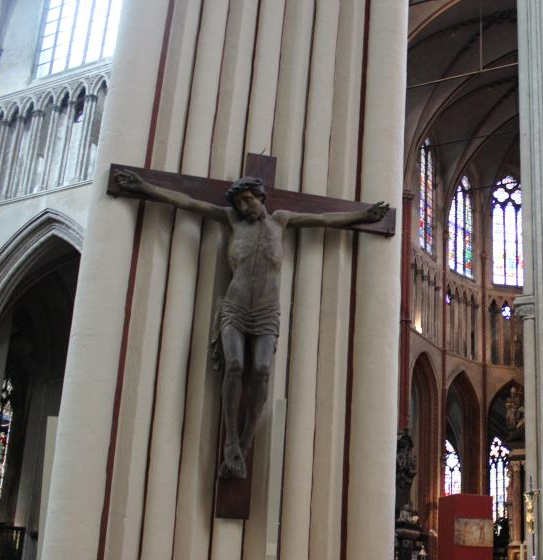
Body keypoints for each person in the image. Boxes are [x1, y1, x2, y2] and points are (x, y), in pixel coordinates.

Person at [114, 169, 388, 478]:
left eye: (248, 200)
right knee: (234, 365)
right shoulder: (232, 219)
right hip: (235, 306)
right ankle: (231, 440)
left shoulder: (281, 220)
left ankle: (242, 447)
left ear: (260, 197)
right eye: (240, 203)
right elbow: (187, 201)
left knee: (261, 369)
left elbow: (324, 219)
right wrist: (145, 187)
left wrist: (362, 215)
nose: (244, 208)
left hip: (266, 311)